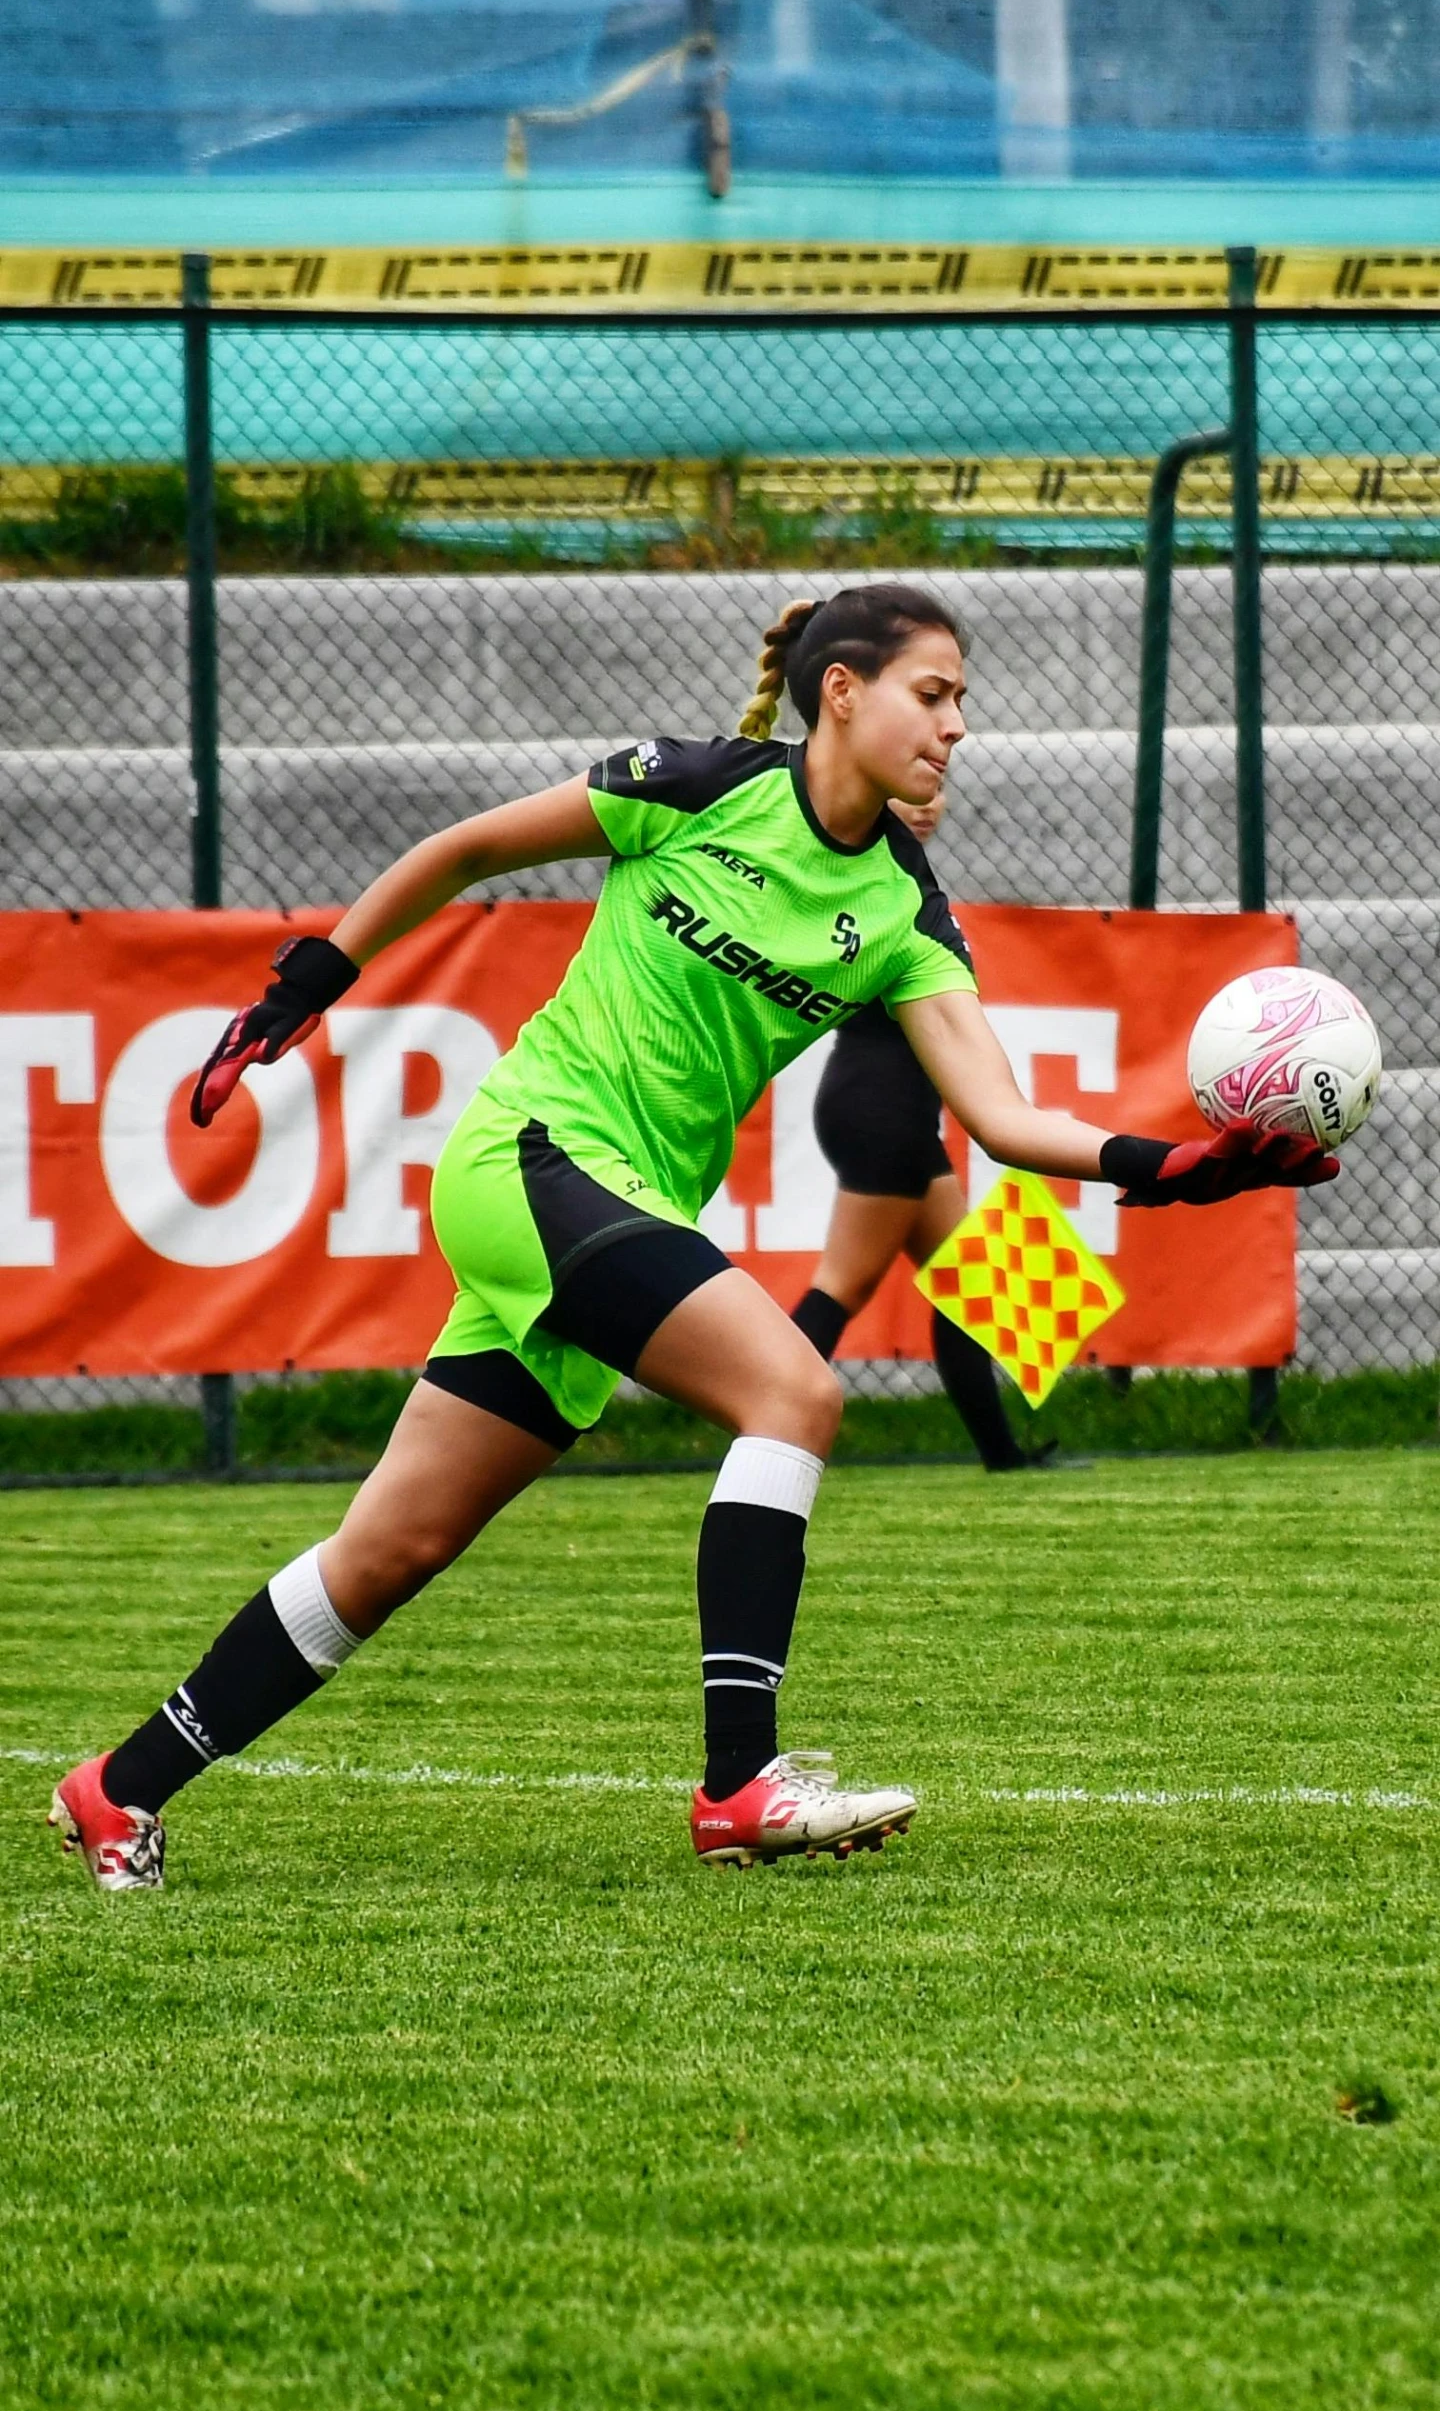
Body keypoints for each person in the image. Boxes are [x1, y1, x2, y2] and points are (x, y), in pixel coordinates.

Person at [48, 584, 1335, 1890]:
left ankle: (120, 1788)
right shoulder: (698, 782)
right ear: (843, 690)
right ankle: (738, 1787)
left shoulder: (902, 912)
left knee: (389, 1555)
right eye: (932, 694)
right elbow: (466, 850)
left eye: (961, 705)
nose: (956, 727)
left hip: (611, 1212)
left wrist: (1186, 1166)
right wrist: (307, 984)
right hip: (529, 1158)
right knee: (795, 1390)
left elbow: (1005, 1120)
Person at [793, 791, 1055, 1473]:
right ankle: (757, 1426)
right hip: (882, 1113)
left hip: (889, 1110)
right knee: (840, 1287)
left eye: (936, 792)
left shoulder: (898, 873)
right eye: (911, 795)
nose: (929, 804)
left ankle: (1003, 1456)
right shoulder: (863, 871)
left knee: (969, 1286)